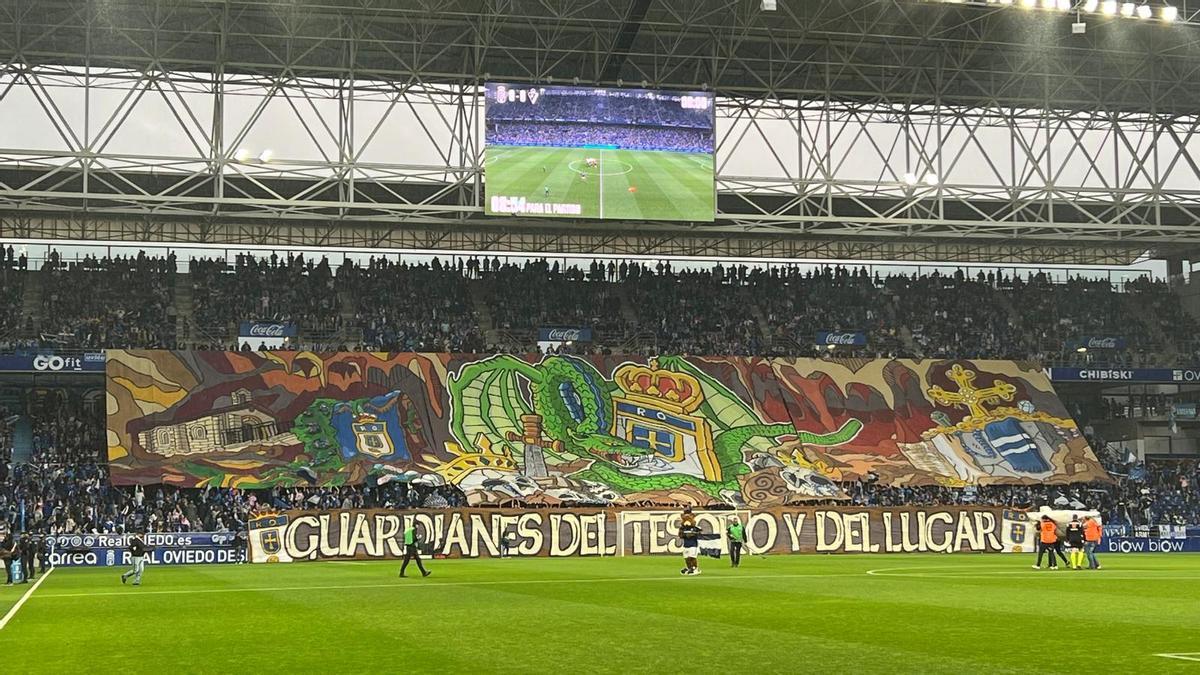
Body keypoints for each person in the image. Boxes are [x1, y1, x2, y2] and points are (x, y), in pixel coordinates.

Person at [679, 506, 702, 576]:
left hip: (693, 545)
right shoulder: (683, 528)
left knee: (692, 557)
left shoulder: (695, 528)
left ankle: (695, 568)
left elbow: (699, 534)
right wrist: (685, 535)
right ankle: (689, 568)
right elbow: (680, 535)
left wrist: (693, 534)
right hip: (686, 545)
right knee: (686, 558)